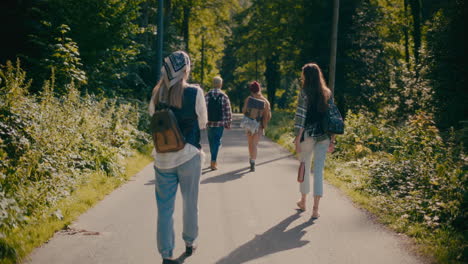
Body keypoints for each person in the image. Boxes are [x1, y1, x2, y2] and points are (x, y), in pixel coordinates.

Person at [148, 51, 207, 264]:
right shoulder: (194, 92)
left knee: (164, 208)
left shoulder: (157, 93)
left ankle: (166, 253)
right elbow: (202, 122)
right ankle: (190, 242)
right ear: (186, 69)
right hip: (189, 155)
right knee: (190, 202)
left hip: (163, 158)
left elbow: (153, 118)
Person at [293, 63, 335, 219]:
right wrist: (332, 140)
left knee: (304, 166)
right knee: (318, 171)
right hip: (324, 136)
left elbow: (300, 118)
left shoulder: (304, 93)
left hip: (308, 135)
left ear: (306, 76)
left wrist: (297, 139)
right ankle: (316, 210)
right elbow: (332, 118)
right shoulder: (327, 93)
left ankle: (303, 201)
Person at [241, 81, 271, 172]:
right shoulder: (265, 101)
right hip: (259, 125)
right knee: (255, 144)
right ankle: (253, 161)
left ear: (251, 90)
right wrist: (264, 124)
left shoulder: (248, 99)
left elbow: (244, 110)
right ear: (259, 89)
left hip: (249, 124)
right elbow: (268, 115)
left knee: (250, 143)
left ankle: (251, 159)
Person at [205, 76, 232, 170]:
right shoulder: (224, 96)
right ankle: (213, 161)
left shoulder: (207, 95)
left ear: (213, 84)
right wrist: (228, 122)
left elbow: (203, 109)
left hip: (209, 123)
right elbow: (228, 110)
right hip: (220, 123)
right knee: (217, 141)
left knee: (211, 142)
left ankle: (213, 160)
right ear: (220, 84)